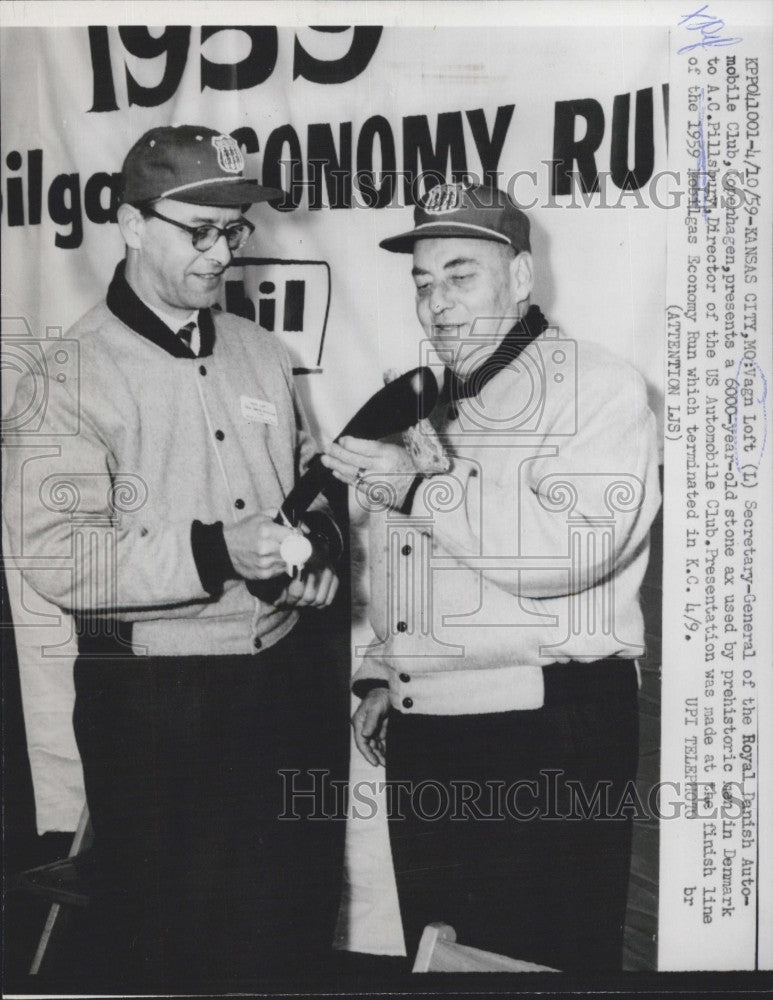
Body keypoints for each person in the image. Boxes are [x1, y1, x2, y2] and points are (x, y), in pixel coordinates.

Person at [4, 126, 348, 987]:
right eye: (198, 230)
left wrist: (320, 555)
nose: (220, 254)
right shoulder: (65, 375)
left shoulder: (262, 352)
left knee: (288, 931)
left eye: (233, 232)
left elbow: (306, 484)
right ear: (127, 223)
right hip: (157, 707)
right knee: (177, 949)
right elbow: (58, 555)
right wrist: (215, 551)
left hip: (279, 686)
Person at [322, 182, 661, 973]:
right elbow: (412, 555)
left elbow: (561, 555)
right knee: (442, 959)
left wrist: (418, 484)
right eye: (422, 282)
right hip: (434, 723)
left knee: (531, 965)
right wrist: (384, 669)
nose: (436, 302)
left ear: (518, 279)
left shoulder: (594, 385)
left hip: (545, 728)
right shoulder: (428, 398)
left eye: (460, 275)